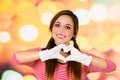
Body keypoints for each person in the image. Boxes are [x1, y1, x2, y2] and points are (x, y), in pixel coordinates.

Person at [12, 10, 116, 80]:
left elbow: (111, 67)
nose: (61, 30)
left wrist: (83, 58)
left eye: (67, 27)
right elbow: (16, 58)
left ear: (74, 33)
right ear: (52, 28)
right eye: (57, 25)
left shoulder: (81, 57)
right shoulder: (41, 54)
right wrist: (45, 54)